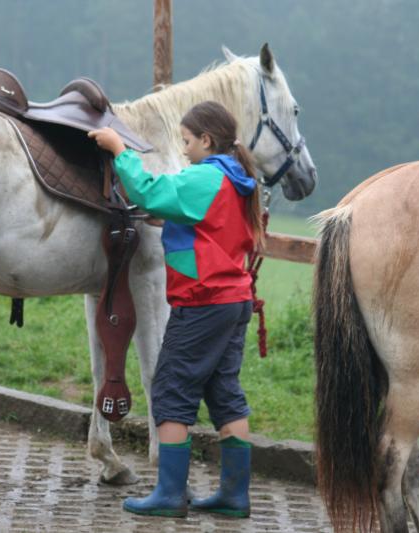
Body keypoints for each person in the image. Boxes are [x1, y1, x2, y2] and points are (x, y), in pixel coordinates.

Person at [88, 100, 264, 518]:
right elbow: (213, 226)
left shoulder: (205, 176)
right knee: (225, 395)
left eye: (187, 141)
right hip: (232, 301)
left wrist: (119, 150)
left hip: (203, 303)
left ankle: (169, 494)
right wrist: (172, 221)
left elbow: (149, 191)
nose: (184, 150)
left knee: (169, 391)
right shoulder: (236, 178)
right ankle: (234, 495)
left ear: (207, 140)